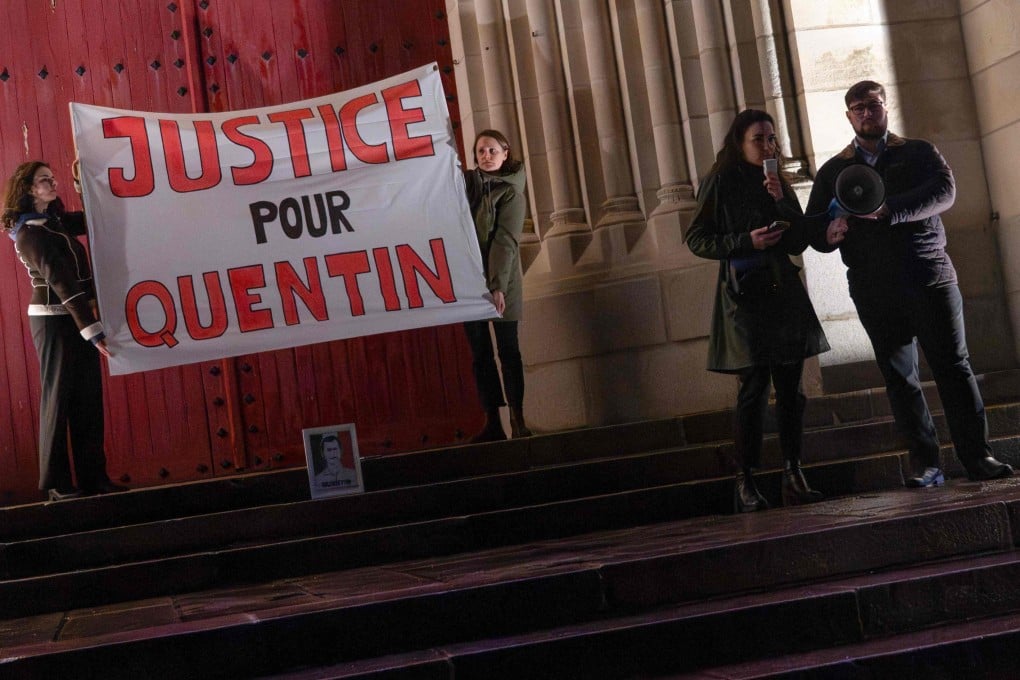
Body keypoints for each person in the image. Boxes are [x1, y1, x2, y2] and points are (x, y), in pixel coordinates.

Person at [807, 80, 1012, 488]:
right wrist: (828, 235)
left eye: (874, 105)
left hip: (929, 275)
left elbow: (944, 192)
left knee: (954, 366)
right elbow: (814, 227)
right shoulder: (833, 171)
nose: (867, 113)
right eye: (858, 108)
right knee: (900, 377)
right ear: (848, 116)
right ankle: (926, 465)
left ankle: (978, 456)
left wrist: (889, 210)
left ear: (886, 108)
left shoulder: (918, 152)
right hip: (873, 286)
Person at [686, 109, 830, 512]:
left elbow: (799, 240)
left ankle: (793, 472)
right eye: (758, 139)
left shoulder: (777, 181)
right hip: (746, 295)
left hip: (783, 291)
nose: (768, 146)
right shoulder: (720, 181)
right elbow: (697, 238)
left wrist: (781, 200)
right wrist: (746, 241)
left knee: (791, 389)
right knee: (753, 388)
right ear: (739, 142)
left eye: (771, 138)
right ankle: (745, 479)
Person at [2, 160, 126, 501]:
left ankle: (94, 477)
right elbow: (61, 283)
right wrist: (92, 330)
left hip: (76, 318)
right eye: (45, 180)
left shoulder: (54, 222)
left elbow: (93, 220)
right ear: (29, 189)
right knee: (58, 397)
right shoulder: (29, 233)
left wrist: (82, 182)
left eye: (52, 178)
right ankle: (57, 484)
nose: (52, 183)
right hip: (53, 321)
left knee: (88, 397)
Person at [462, 129, 531, 442]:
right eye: (481, 151)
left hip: (503, 282)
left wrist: (498, 287)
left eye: (492, 150)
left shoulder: (511, 193)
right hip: (470, 283)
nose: (486, 156)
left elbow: (505, 241)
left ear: (506, 154)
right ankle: (493, 422)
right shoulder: (467, 188)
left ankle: (517, 420)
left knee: (508, 351)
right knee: (480, 354)